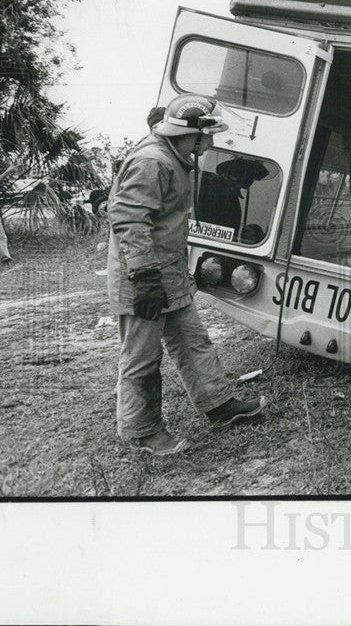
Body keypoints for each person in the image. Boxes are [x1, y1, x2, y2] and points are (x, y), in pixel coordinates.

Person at [107, 94, 265, 455]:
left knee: (193, 340)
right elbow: (129, 219)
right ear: (188, 134)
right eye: (205, 135)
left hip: (166, 272)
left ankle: (220, 406)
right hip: (143, 277)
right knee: (142, 356)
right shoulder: (152, 162)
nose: (209, 143)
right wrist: (145, 277)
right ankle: (142, 431)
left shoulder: (170, 158)